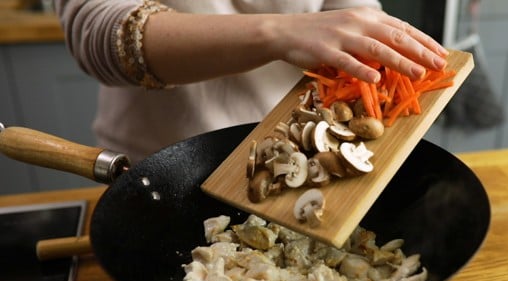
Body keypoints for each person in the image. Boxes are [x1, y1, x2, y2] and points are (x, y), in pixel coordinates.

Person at [55, 0, 450, 163]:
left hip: (298, 154)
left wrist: (363, 30)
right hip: (165, 165)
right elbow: (97, 32)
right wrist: (279, 34)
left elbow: (345, 8)